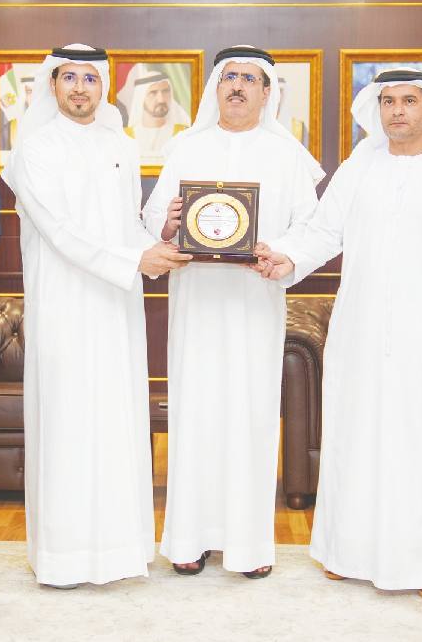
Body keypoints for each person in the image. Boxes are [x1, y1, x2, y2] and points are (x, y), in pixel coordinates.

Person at [254, 69, 422, 599]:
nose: (397, 110)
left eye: (409, 101)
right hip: (358, 330)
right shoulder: (358, 171)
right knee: (354, 440)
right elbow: (322, 233)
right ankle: (347, 552)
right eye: (388, 101)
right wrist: (285, 258)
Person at [5, 44, 191, 588]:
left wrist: (158, 239)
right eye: (70, 77)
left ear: (103, 85)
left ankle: (119, 552)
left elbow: (124, 225)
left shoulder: (120, 145)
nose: (81, 88)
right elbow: (59, 231)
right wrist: (136, 260)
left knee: (116, 424)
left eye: (90, 78)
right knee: (66, 426)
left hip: (116, 309)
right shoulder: (33, 149)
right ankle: (62, 557)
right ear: (52, 84)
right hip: (63, 308)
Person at [142, 45, 324, 579]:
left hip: (254, 304)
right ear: (216, 88)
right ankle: (189, 539)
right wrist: (170, 222)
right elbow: (153, 220)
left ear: (267, 93)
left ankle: (248, 546)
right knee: (195, 415)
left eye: (249, 79)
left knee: (251, 417)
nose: (238, 86)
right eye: (229, 77)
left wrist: (279, 254)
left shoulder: (287, 155)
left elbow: (311, 228)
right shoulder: (186, 147)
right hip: (196, 305)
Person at [125, 70, 191, 162]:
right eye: (153, 93)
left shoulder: (184, 134)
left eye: (165, 91)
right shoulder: (125, 137)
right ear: (141, 97)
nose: (161, 99)